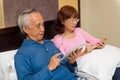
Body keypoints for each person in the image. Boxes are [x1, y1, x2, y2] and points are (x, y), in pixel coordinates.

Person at [14, 9, 87, 80]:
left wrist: (71, 62)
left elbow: (67, 67)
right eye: (38, 26)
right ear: (26, 29)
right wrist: (49, 68)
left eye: (43, 25)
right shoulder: (22, 55)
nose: (43, 29)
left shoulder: (50, 43)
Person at [53, 5, 120, 80]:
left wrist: (100, 44)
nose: (75, 23)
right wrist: (83, 53)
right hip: (81, 64)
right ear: (62, 21)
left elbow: (95, 41)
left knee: (116, 69)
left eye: (76, 19)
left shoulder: (79, 31)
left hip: (94, 58)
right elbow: (64, 59)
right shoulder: (57, 39)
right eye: (72, 20)